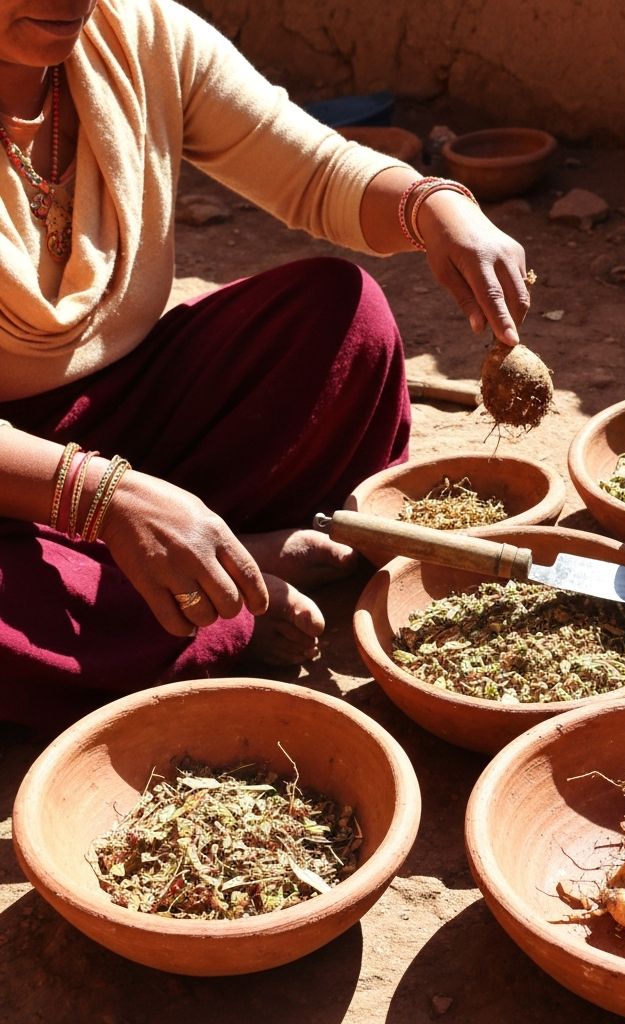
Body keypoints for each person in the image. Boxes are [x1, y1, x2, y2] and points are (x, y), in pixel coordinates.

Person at [0, 0, 531, 731]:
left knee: (344, 319)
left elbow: (313, 171)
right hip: (14, 474)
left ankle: (200, 564)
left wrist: (436, 207)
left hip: (129, 412)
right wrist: (105, 499)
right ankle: (222, 600)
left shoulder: (139, 36)